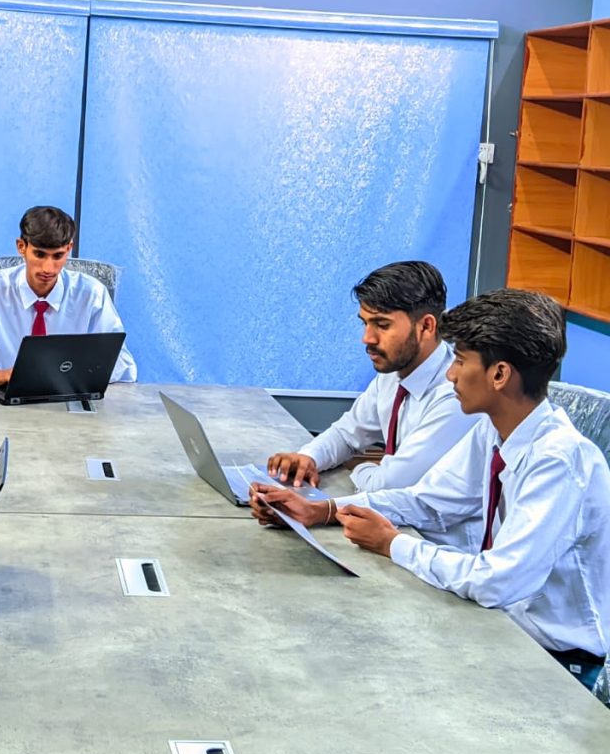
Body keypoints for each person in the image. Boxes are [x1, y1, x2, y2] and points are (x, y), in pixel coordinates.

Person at [251, 289, 610, 691]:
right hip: (504, 627)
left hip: (559, 664)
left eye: (460, 361)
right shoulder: (494, 430)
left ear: (499, 375)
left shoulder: (558, 462)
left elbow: (497, 581)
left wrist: (393, 544)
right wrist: (325, 510)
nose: (451, 374)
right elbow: (427, 500)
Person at [268, 261, 477, 493]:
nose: (367, 338)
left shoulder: (455, 394)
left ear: (426, 326)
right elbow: (347, 435)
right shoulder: (394, 371)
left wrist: (361, 468)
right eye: (365, 323)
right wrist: (308, 458)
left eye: (382, 325)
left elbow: (386, 485)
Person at [0, 205, 137, 386]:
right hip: (12, 400)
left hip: (72, 395)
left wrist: (72, 374)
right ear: (21, 247)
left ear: (69, 249)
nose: (48, 268)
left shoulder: (92, 294)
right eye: (40, 254)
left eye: (58, 256)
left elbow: (124, 365)